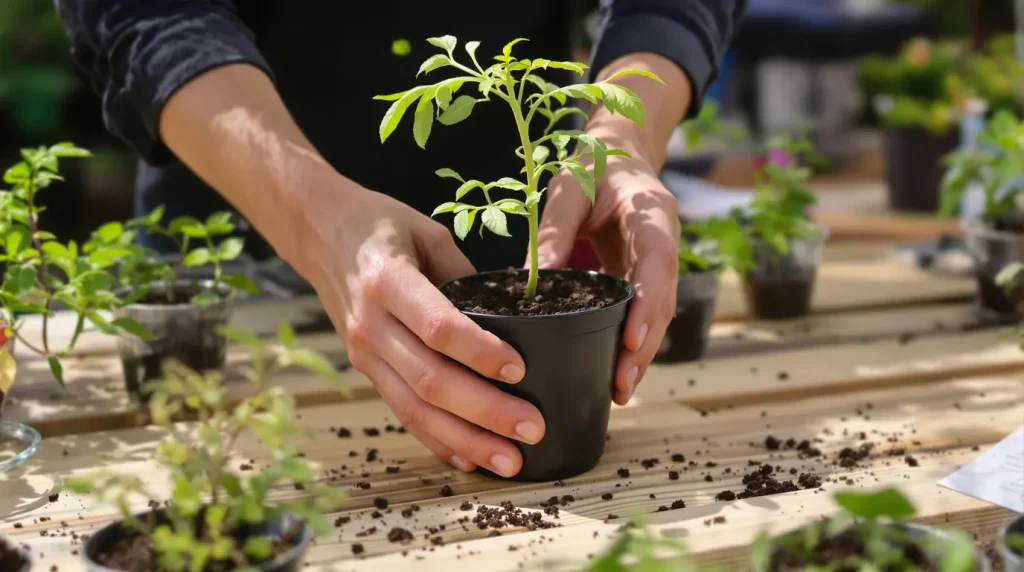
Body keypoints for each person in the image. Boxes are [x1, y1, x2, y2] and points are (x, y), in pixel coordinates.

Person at [56, 1, 746, 478]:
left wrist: (623, 136)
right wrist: (311, 216)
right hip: (232, 257)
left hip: (508, 243)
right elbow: (143, 13)